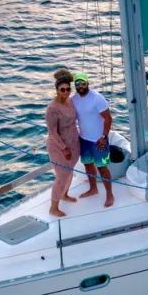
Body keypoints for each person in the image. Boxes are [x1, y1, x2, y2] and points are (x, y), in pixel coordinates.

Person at [72, 72, 114, 207]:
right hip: (84, 140)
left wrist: (103, 137)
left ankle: (109, 194)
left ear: (87, 84)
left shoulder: (97, 98)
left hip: (98, 140)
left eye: (82, 83)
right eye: (77, 84)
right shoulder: (74, 99)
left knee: (102, 168)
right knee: (88, 164)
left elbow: (108, 119)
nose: (80, 86)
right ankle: (93, 188)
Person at [45, 68, 80, 217]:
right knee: (61, 177)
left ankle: (65, 194)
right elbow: (53, 132)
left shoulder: (70, 101)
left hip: (74, 142)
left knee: (70, 171)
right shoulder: (52, 109)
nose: (65, 92)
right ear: (57, 90)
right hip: (59, 146)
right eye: (62, 89)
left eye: (67, 89)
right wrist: (63, 148)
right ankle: (53, 207)